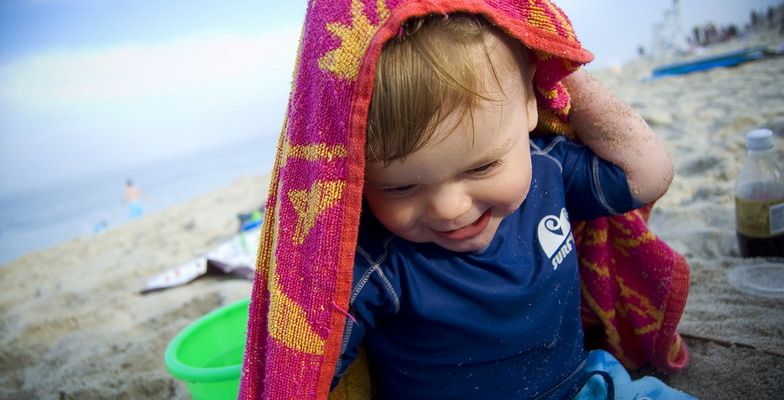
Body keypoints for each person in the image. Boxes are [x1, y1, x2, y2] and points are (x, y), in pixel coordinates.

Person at [330, 13, 694, 400]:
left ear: (529, 105)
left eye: (483, 166)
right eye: (400, 187)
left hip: (578, 390)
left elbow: (648, 173)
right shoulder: (373, 263)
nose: (450, 208)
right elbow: (309, 375)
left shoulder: (549, 170)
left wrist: (560, 72)